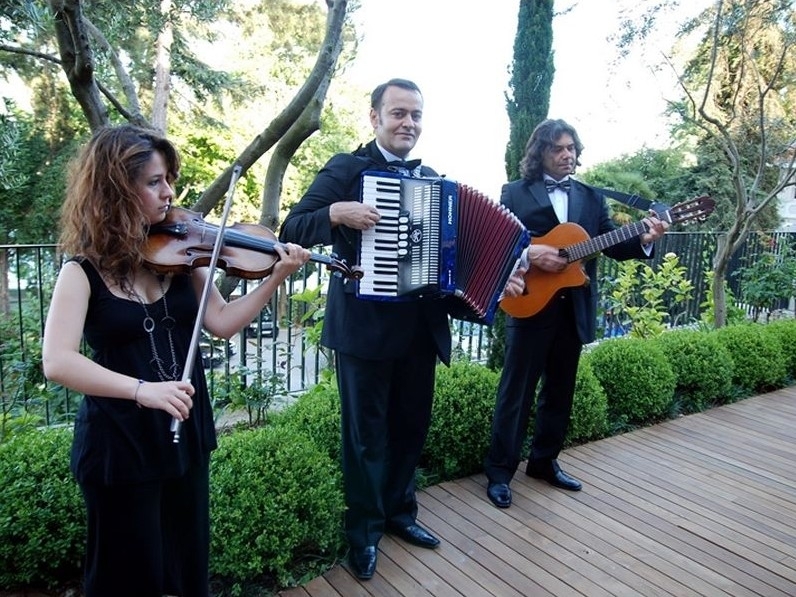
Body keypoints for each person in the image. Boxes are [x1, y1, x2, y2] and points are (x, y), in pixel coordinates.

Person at [41, 124, 310, 597]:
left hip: (183, 431)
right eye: (154, 182)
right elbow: (57, 361)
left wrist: (275, 278)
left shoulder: (184, 257)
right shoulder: (81, 271)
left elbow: (221, 322)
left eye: (169, 180)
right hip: (120, 443)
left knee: (187, 568)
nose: (169, 193)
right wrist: (142, 390)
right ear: (115, 191)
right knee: (127, 576)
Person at [278, 78, 451, 580]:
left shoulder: (433, 180)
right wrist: (337, 212)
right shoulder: (346, 168)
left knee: (410, 429)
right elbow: (292, 227)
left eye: (416, 115)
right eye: (398, 113)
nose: (408, 123)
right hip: (364, 331)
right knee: (365, 437)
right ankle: (364, 534)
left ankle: (400, 513)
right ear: (375, 117)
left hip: (419, 329)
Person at [484, 118, 669, 509]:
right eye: (558, 148)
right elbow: (497, 241)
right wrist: (531, 253)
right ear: (541, 153)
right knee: (515, 393)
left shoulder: (591, 196)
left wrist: (644, 239)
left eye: (571, 148)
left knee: (560, 391)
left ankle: (544, 462)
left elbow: (611, 243)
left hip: (574, 307)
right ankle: (499, 472)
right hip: (529, 304)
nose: (567, 155)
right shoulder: (514, 193)